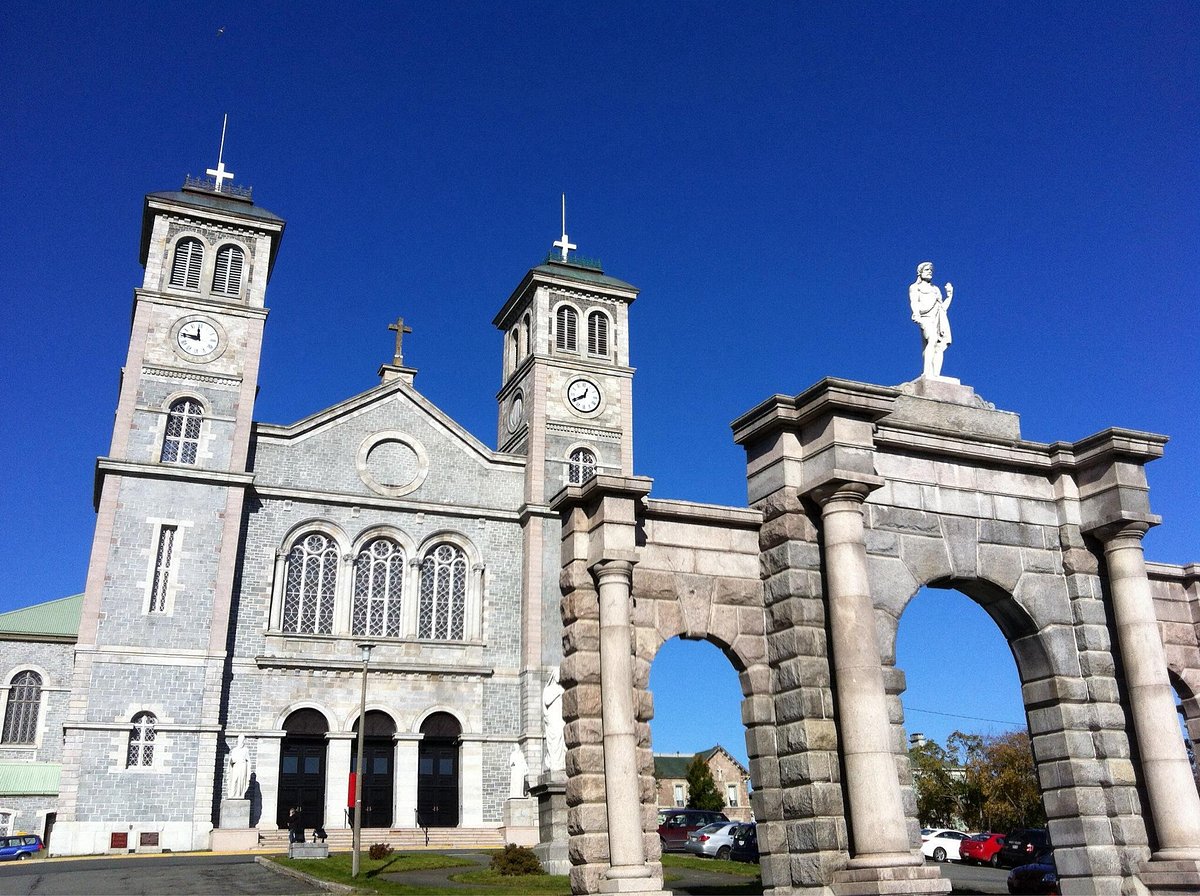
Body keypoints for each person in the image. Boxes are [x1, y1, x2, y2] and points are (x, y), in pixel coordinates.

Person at [909, 261, 953, 378]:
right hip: (925, 318)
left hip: (937, 318)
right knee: (932, 339)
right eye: (927, 270)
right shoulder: (915, 287)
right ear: (920, 272)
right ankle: (927, 372)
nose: (930, 272)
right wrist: (916, 314)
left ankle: (936, 375)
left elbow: (942, 307)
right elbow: (914, 302)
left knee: (938, 346)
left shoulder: (936, 289)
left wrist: (949, 296)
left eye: (931, 270)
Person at [541, 669, 566, 773]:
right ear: (553, 676)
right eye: (557, 674)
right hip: (553, 717)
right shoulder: (548, 689)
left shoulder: (562, 688)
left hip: (560, 716)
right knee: (555, 738)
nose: (558, 676)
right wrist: (558, 692)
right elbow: (547, 701)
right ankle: (554, 764)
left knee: (561, 736)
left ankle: (560, 763)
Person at [225, 734, 251, 800]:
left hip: (243, 766)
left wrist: (248, 768)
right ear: (238, 740)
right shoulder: (234, 750)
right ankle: (232, 795)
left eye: (243, 740)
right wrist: (231, 760)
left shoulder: (246, 750)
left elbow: (248, 760)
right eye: (240, 739)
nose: (242, 741)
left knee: (241, 781)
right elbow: (231, 760)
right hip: (236, 766)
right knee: (234, 780)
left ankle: (240, 794)